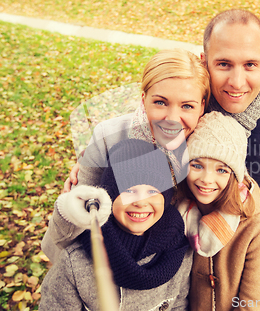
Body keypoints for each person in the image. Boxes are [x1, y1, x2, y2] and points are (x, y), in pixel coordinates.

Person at [63, 9, 260, 304]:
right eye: (224, 64)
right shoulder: (189, 100)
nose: (237, 82)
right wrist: (96, 158)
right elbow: (148, 117)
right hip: (178, 237)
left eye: (250, 65)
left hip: (247, 242)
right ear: (205, 61)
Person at [42, 48, 210, 264]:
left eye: (187, 106)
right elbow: (79, 217)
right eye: (160, 102)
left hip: (168, 259)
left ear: (202, 106)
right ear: (143, 99)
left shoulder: (206, 144)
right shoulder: (108, 136)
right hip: (104, 251)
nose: (172, 119)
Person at [39, 139, 192, 311]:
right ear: (109, 196)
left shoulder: (178, 249)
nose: (141, 202)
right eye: (129, 190)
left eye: (152, 191)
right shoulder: (76, 262)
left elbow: (179, 303)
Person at [177, 112, 260, 311]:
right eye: (197, 165)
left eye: (221, 170)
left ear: (235, 175)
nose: (207, 179)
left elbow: (256, 306)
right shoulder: (179, 212)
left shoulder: (258, 229)